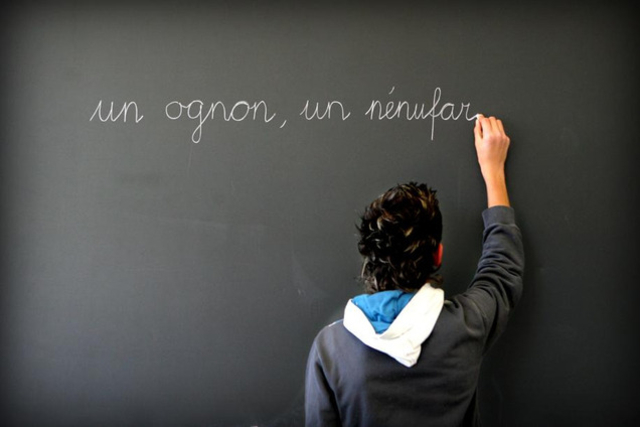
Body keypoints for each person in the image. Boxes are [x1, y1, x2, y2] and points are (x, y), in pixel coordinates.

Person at [304, 115, 524, 426]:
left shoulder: (331, 349)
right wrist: (494, 171)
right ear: (438, 254)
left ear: (368, 256)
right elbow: (502, 270)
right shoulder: (467, 326)